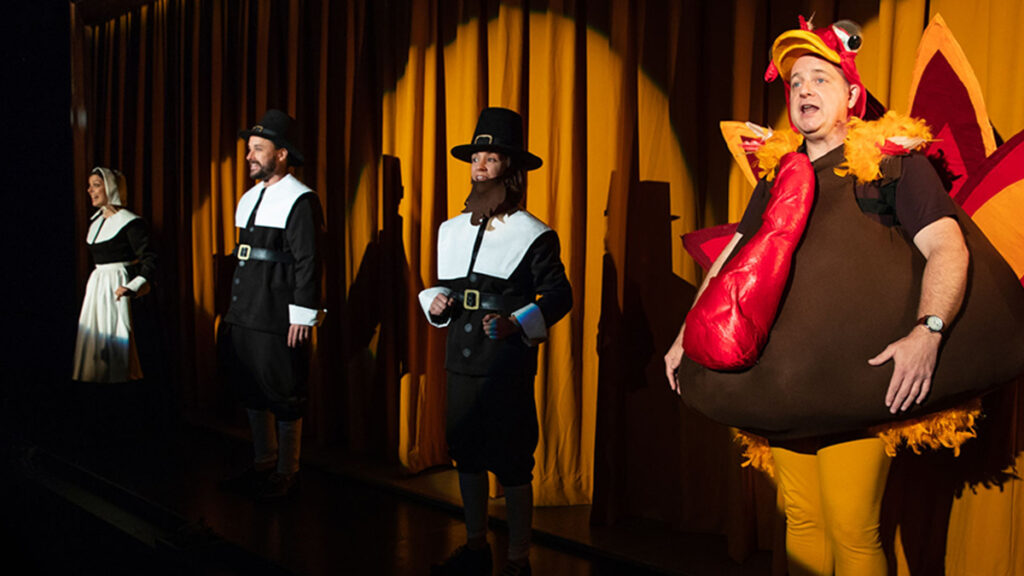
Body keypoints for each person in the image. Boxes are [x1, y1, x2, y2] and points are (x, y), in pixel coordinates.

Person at [666, 18, 1024, 576]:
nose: (805, 90)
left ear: (853, 96)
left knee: (852, 529)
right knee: (801, 519)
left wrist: (927, 333)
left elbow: (948, 248)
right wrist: (684, 337)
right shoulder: (777, 173)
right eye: (795, 82)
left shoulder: (892, 162)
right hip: (784, 382)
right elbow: (735, 256)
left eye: (820, 79)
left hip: (856, 382)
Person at [419, 107, 573, 576]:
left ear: (510, 167)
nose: (480, 166)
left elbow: (560, 296)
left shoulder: (534, 234)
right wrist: (436, 301)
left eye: (491, 158)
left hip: (504, 364)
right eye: (476, 158)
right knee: (465, 450)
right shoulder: (450, 229)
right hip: (461, 361)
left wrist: (515, 323)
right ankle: (474, 546)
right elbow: (441, 286)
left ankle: (518, 558)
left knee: (511, 460)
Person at [218, 109, 324, 501]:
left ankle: (287, 471)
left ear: (281, 154)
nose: (249, 156)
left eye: (257, 149)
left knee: (283, 391)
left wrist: (302, 313)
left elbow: (309, 260)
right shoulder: (249, 198)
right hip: (244, 309)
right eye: (249, 149)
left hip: (277, 313)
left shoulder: (301, 199)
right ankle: (264, 461)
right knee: (250, 389)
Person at [72, 167, 156, 383]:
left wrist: (134, 285)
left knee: (121, 346)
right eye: (90, 185)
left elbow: (150, 259)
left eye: (96, 185)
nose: (90, 190)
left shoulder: (131, 223)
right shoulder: (96, 223)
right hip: (98, 288)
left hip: (120, 287)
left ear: (111, 188)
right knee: (97, 348)